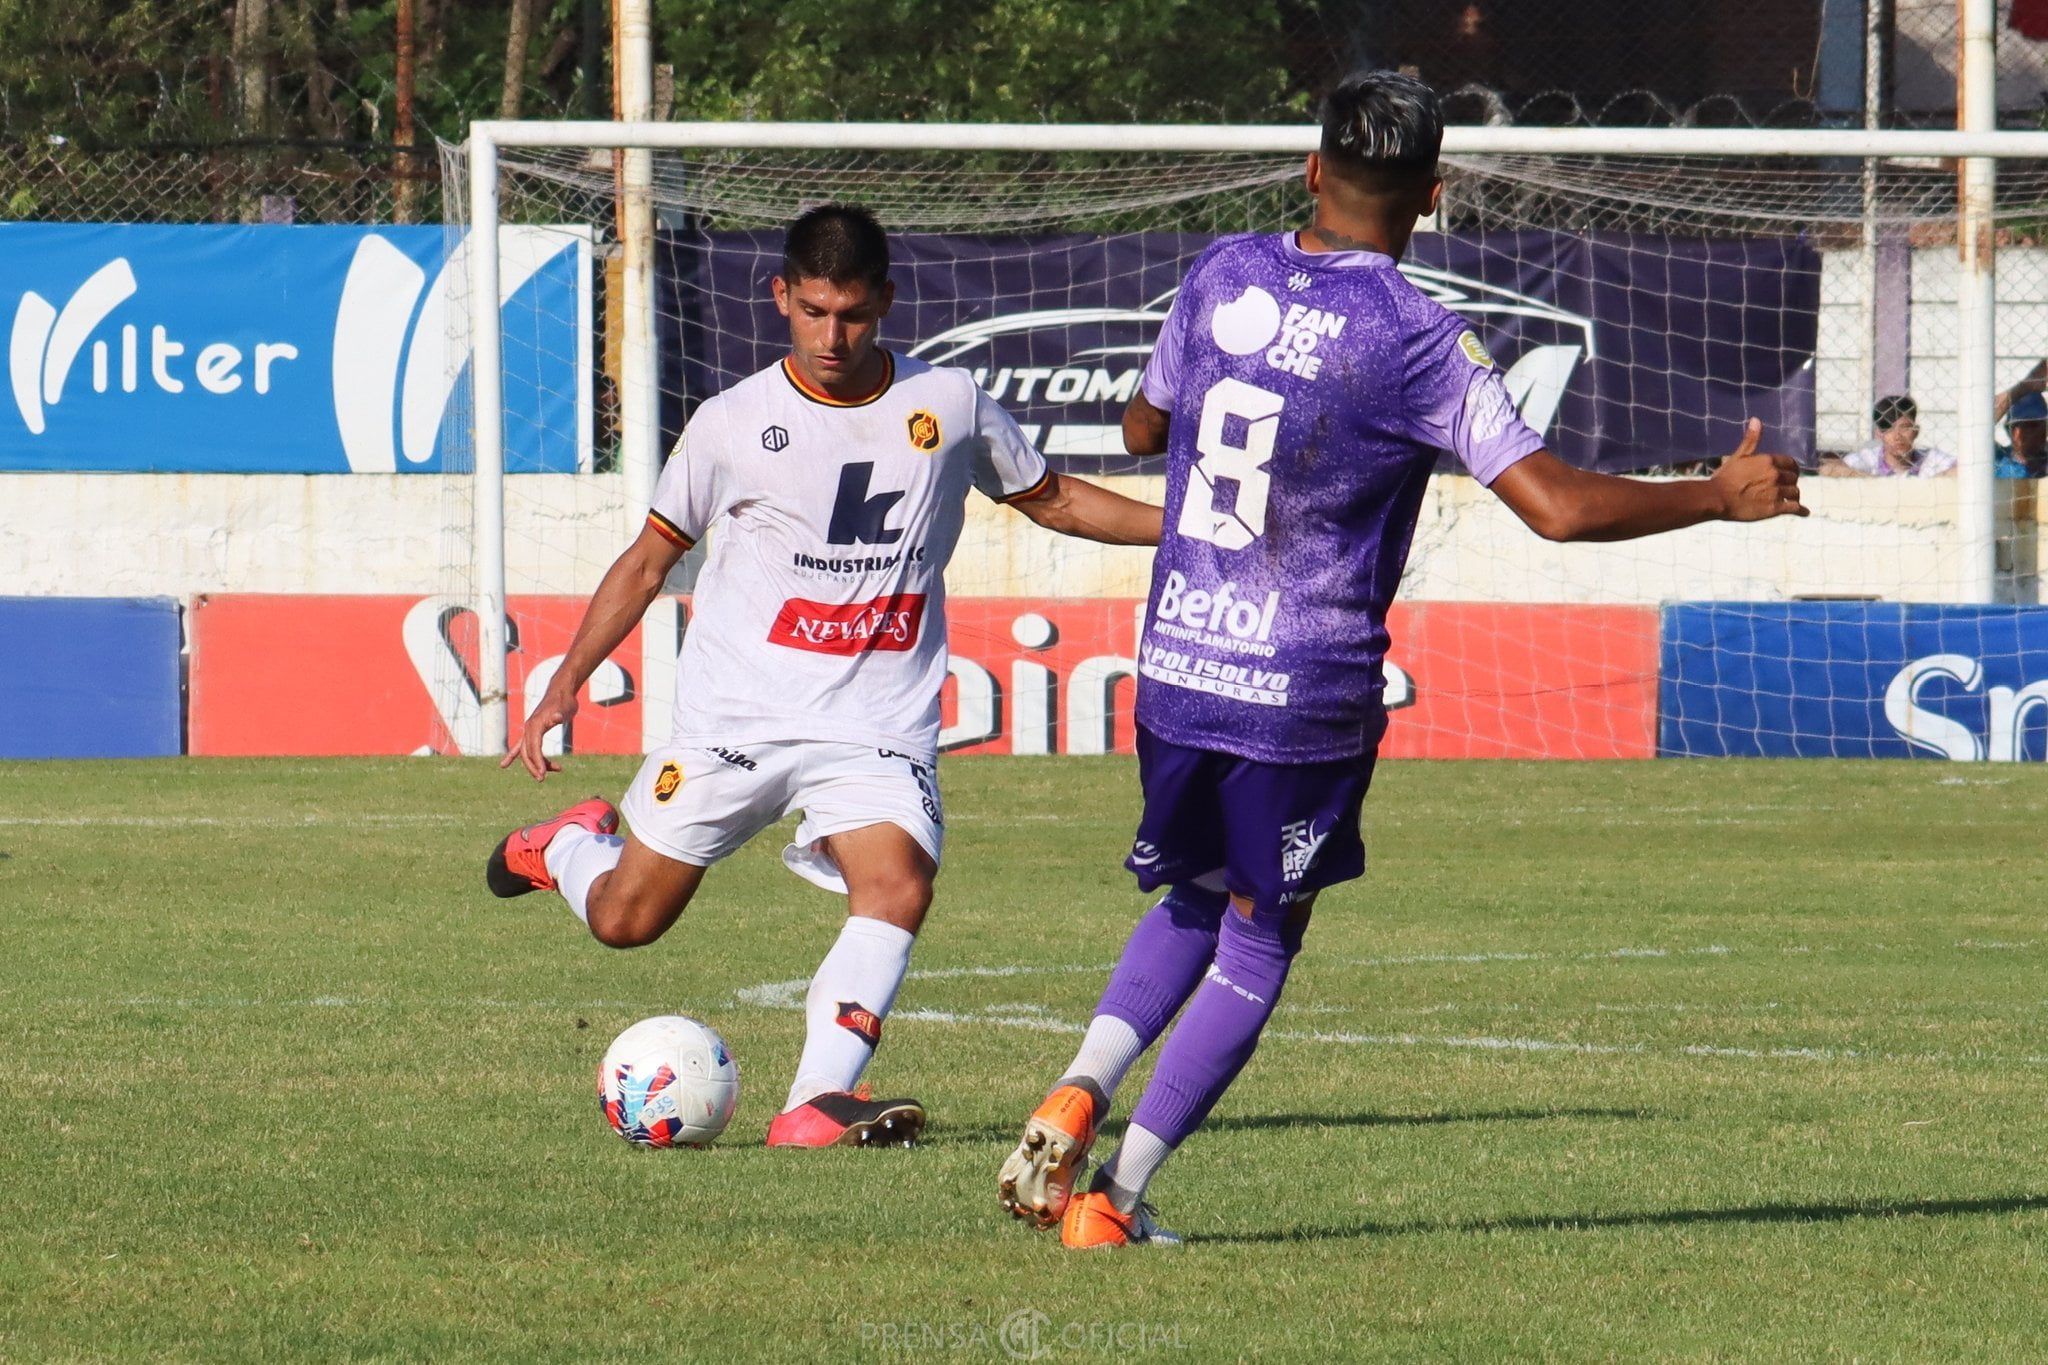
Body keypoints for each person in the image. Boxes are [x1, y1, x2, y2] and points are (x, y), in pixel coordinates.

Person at [996, 69, 1808, 1249]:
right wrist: (1714, 498)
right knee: (1262, 938)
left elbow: (1140, 432)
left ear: (1313, 169)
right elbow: (1557, 509)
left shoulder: (1218, 272)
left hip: (1176, 665)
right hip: (1300, 693)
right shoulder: (1419, 340)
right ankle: (1113, 1197)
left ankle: (1079, 1079)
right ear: (1430, 197)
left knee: (1189, 893)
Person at [488, 204, 1162, 1149]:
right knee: (625, 921)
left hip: (876, 724)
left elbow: (1049, 497)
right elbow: (649, 558)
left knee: (897, 887)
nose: (832, 335)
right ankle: (565, 844)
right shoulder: (731, 423)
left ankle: (816, 1098)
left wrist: (1186, 530)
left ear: (884, 301)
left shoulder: (951, 403)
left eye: (850, 313)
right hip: (739, 716)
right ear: (780, 299)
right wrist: (564, 681)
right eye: (812, 311)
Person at [1819, 395, 1956, 478]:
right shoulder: (1869, 458)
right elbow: (1828, 469)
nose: (1897, 436)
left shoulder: (1929, 459)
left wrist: (1922, 487)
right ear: (1879, 433)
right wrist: (1878, 483)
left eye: (1904, 427)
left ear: (1916, 431)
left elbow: (1964, 470)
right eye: (1889, 429)